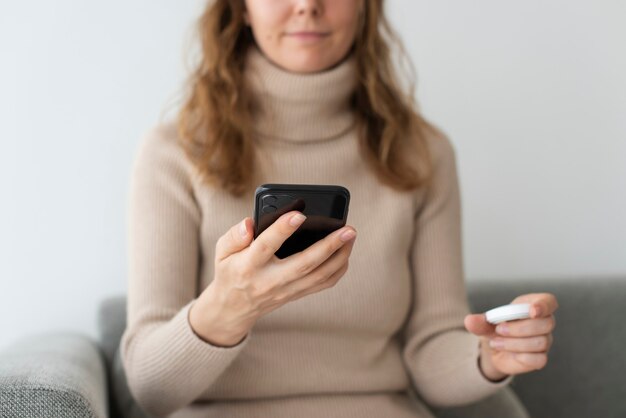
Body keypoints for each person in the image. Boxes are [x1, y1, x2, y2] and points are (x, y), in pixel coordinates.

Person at [119, 1, 558, 417]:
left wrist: (490, 356)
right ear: (240, 8)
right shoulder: (172, 155)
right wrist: (228, 307)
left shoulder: (423, 153)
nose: (308, 4)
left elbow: (433, 347)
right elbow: (151, 387)